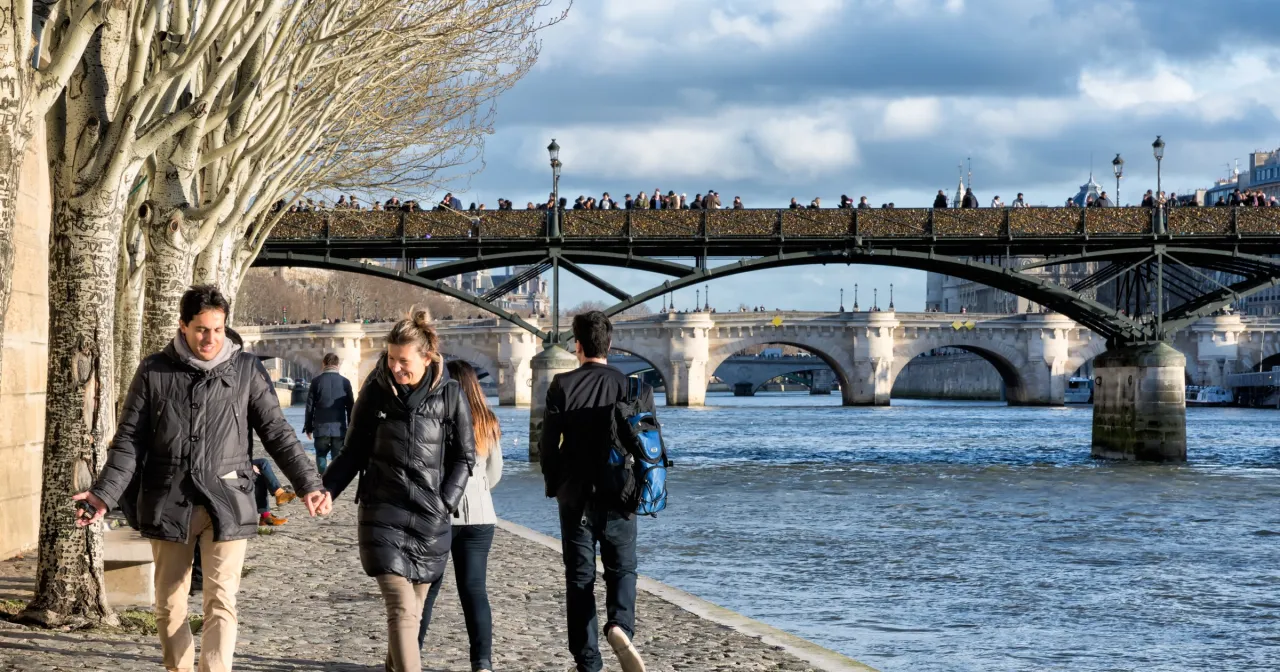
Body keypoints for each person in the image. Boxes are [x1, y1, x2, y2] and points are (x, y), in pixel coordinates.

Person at [73, 285, 329, 672]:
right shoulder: (154, 371)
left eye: (217, 329)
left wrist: (309, 483)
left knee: (221, 599)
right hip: (169, 499)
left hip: (228, 498)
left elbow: (277, 432)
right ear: (183, 326)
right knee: (170, 602)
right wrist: (104, 495)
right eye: (200, 329)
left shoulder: (246, 370)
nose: (210, 339)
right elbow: (129, 441)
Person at [323, 309, 475, 672]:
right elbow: (352, 451)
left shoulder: (450, 394)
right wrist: (326, 488)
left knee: (412, 614)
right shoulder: (374, 392)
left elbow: (465, 456)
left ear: (426, 357)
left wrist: (446, 501)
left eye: (403, 361)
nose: (395, 367)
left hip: (430, 518)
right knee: (402, 609)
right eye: (391, 358)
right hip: (382, 513)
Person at [540, 311, 651, 672]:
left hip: (575, 495)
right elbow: (647, 446)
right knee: (623, 570)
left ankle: (588, 660)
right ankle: (620, 625)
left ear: (577, 345)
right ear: (609, 344)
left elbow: (546, 444)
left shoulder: (562, 384)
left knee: (579, 578)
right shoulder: (633, 388)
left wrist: (554, 482)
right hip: (621, 494)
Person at [418, 360, 503, 672]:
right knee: (475, 590)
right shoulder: (488, 420)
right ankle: (482, 662)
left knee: (427, 589)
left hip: (441, 513)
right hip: (481, 516)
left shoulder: (438, 418)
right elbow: (495, 474)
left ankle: (410, 654)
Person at [304, 352, 354, 474]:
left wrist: (308, 427)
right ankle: (334, 481)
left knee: (321, 454)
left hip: (321, 428)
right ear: (337, 365)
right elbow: (351, 407)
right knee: (337, 457)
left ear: (324, 364)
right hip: (339, 429)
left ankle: (323, 476)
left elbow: (310, 407)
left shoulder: (316, 382)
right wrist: (351, 428)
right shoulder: (345, 382)